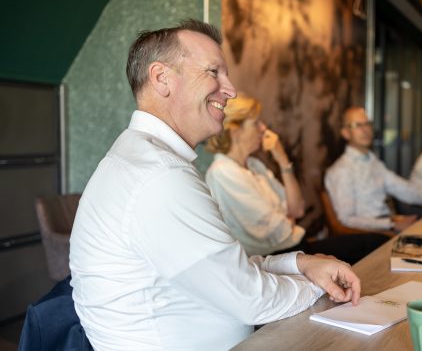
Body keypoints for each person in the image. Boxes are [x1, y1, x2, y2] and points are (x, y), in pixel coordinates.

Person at [69, 19, 361, 351]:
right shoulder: (159, 177)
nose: (230, 90)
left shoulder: (145, 160)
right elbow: (250, 298)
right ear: (162, 78)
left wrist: (302, 263)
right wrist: (318, 287)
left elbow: (224, 267)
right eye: (213, 72)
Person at [205, 94, 390, 264]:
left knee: (377, 242)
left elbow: (297, 209)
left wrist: (282, 159)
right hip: (274, 259)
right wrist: (286, 219)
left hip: (296, 246)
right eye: (256, 123)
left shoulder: (254, 165)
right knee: (371, 246)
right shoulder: (223, 172)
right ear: (235, 131)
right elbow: (276, 230)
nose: (263, 128)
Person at [325, 107, 422, 232]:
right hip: (367, 235)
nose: (365, 130)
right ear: (345, 133)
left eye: (368, 124)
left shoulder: (372, 161)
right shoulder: (341, 170)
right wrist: (391, 224)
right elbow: (347, 219)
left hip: (387, 224)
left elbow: (405, 189)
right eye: (358, 125)